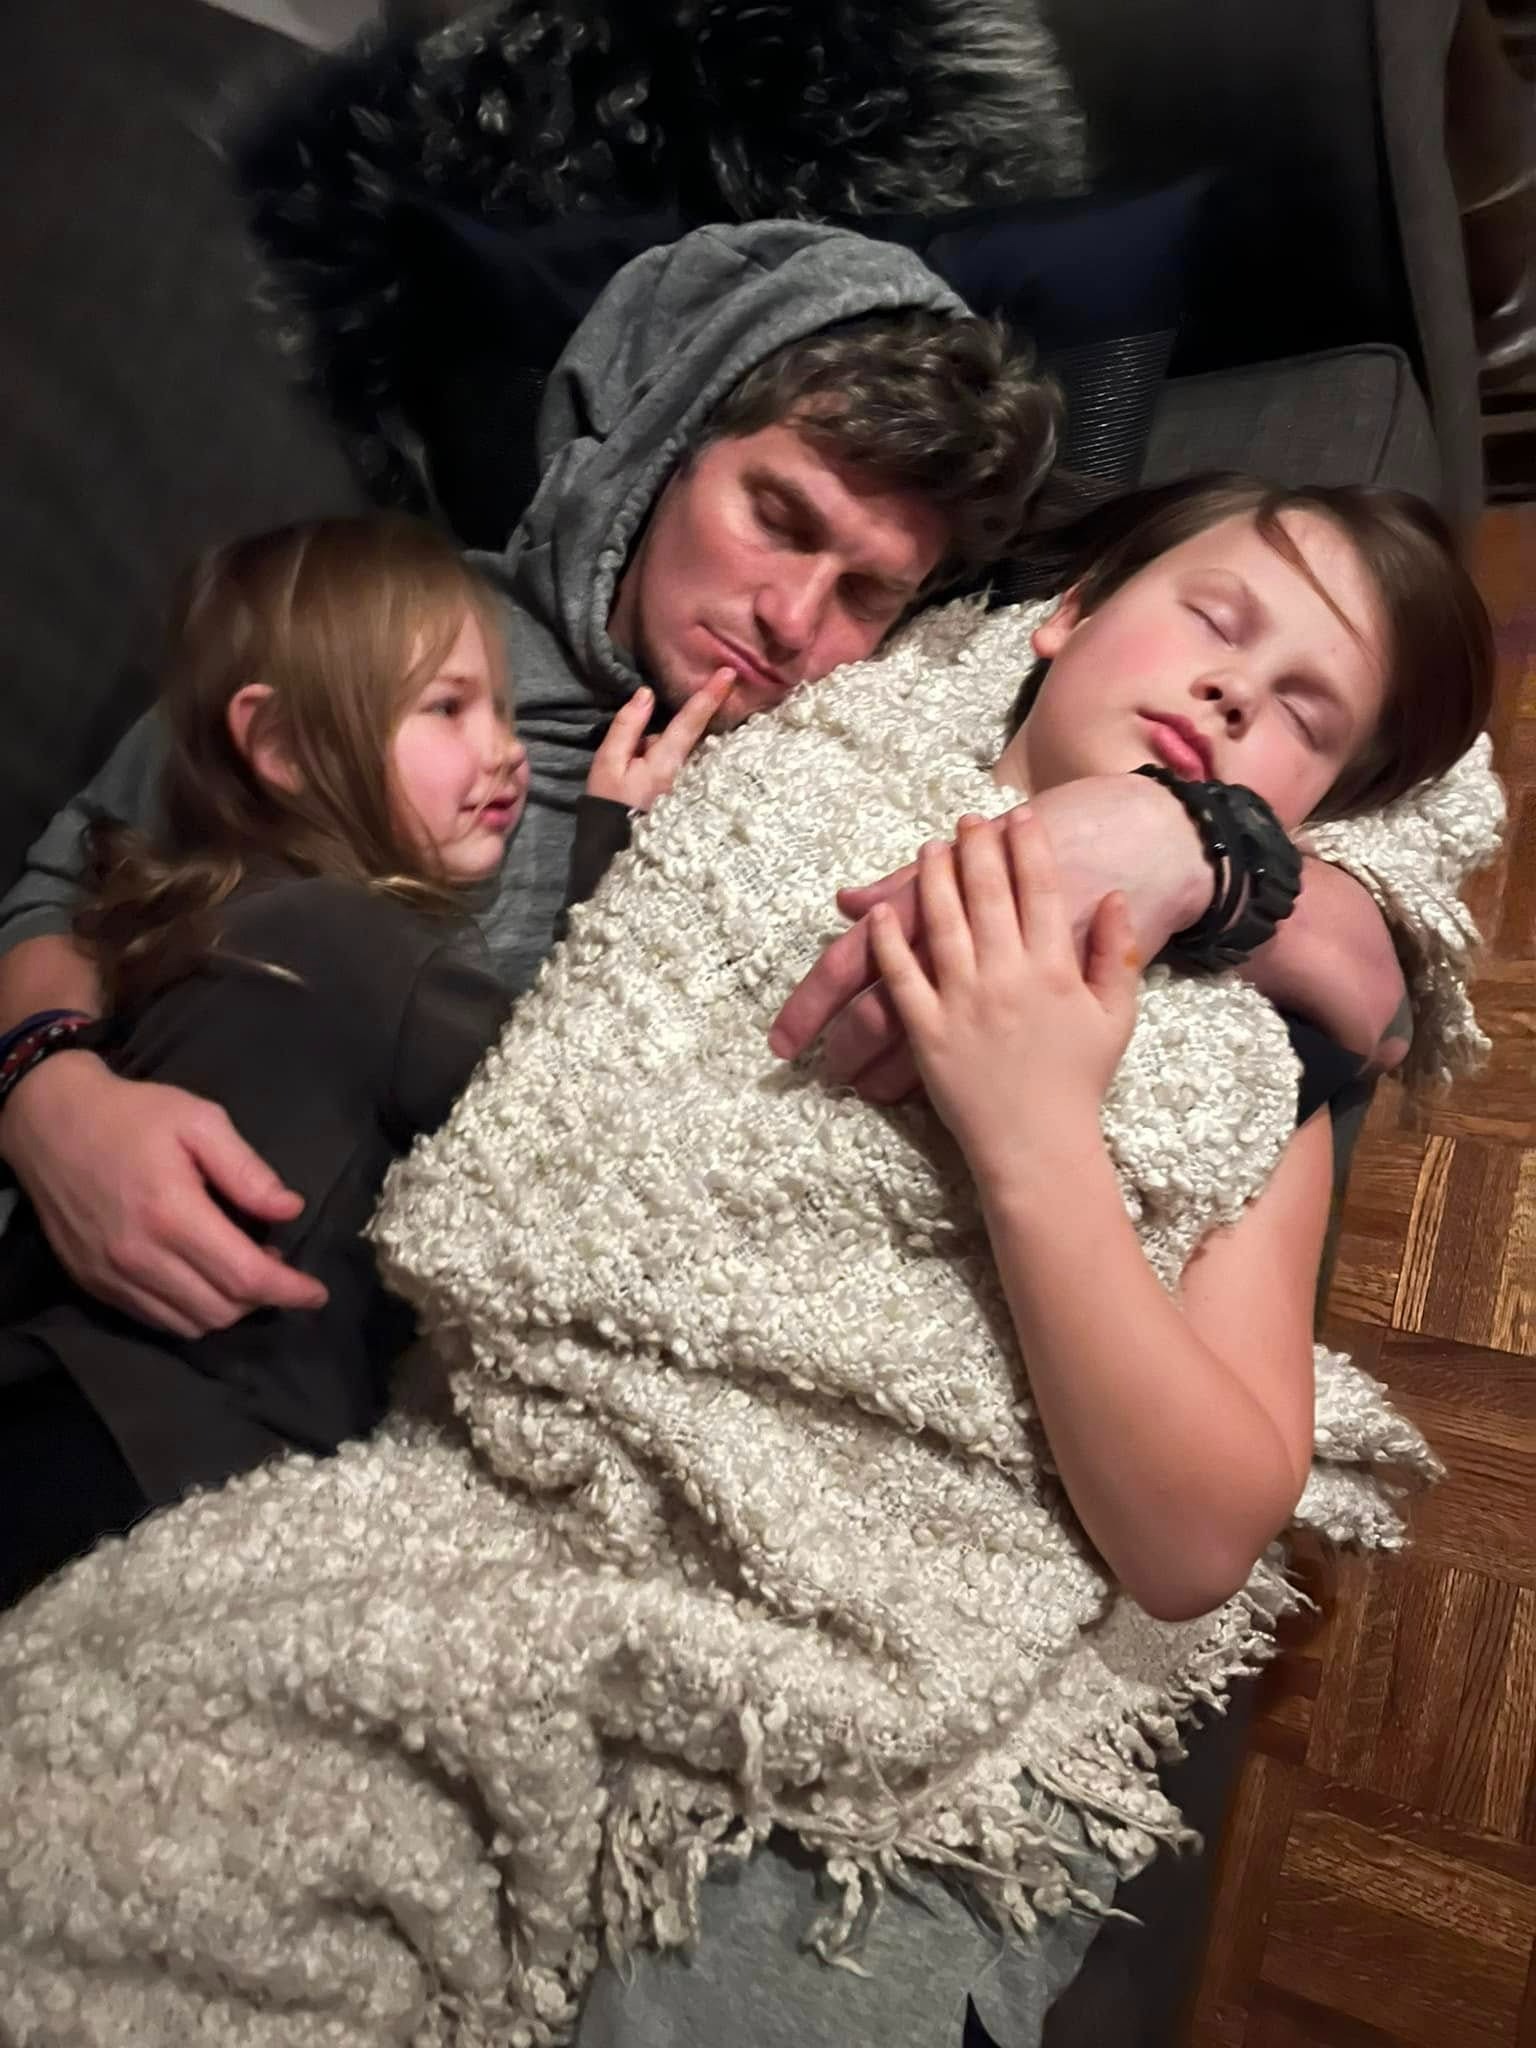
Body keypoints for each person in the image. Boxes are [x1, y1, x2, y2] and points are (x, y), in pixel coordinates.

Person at [0, 474, 1497, 2048]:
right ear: (1060, 617)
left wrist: (1039, 1124)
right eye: (1214, 620)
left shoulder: (1251, 1058)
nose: (1237, 690)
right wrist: (41, 1073)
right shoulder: (687, 726)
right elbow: (101, 870)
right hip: (489, 1488)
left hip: (865, 1661)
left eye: (1303, 714)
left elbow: (1201, 1533)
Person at [0, 225, 1415, 1346]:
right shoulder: (377, 631)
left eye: (866, 590)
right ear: (659, 447)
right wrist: (47, 1097)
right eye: (776, 516)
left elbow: (1377, 992)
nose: (793, 619)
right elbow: (69, 883)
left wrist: (1179, 832)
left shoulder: (872, 726)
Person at [0, 514, 722, 1611]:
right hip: (142, 1451)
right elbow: (566, 1102)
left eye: (501, 708)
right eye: (448, 708)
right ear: (284, 747)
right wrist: (623, 851)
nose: (506, 748)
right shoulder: (351, 949)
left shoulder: (209, 921)